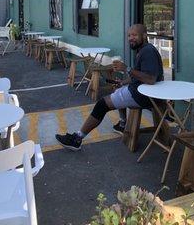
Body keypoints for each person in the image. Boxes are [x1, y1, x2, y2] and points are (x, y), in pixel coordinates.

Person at [55, 23, 166, 151]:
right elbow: (140, 76)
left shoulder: (147, 52)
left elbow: (150, 79)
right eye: (129, 35)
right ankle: (123, 124)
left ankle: (77, 139)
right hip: (141, 90)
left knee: (102, 104)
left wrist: (126, 68)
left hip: (142, 95)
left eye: (134, 35)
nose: (131, 38)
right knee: (117, 88)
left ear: (144, 35)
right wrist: (123, 83)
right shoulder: (143, 49)